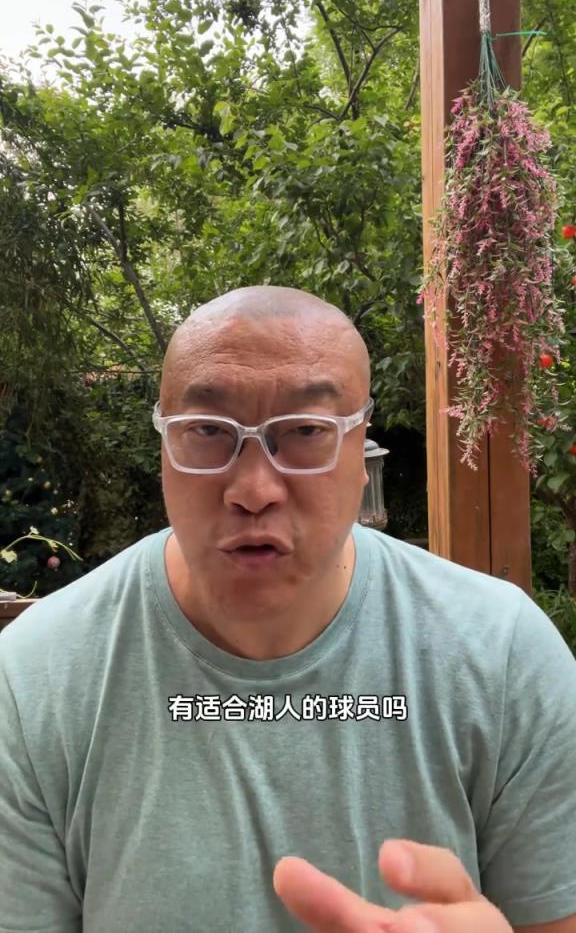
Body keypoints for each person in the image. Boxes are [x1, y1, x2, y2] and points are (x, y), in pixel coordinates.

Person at [1, 284, 575, 933]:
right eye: (207, 431)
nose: (253, 490)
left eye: (305, 432)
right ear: (163, 447)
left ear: (363, 451)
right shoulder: (33, 681)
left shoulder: (503, 659)